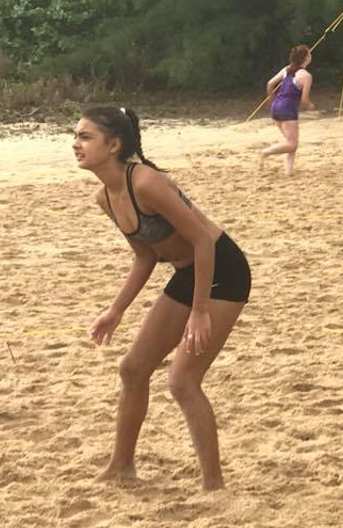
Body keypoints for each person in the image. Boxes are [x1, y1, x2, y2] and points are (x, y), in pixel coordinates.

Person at [76, 107, 251, 491]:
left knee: (182, 380)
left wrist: (200, 311)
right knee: (132, 369)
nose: (76, 144)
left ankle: (213, 485)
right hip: (188, 273)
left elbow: (203, 240)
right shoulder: (106, 197)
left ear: (114, 145)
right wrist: (115, 310)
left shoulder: (146, 183)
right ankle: (121, 466)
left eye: (85, 137)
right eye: (75, 136)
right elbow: (145, 256)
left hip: (223, 270)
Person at [258, 44, 315, 176]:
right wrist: (310, 106)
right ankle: (265, 152)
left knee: (290, 141)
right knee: (292, 144)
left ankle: (289, 171)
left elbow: (269, 84)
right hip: (288, 108)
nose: (310, 56)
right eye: (309, 54)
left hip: (276, 106)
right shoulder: (306, 76)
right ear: (305, 58)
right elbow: (304, 100)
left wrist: (272, 100)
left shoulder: (286, 69)